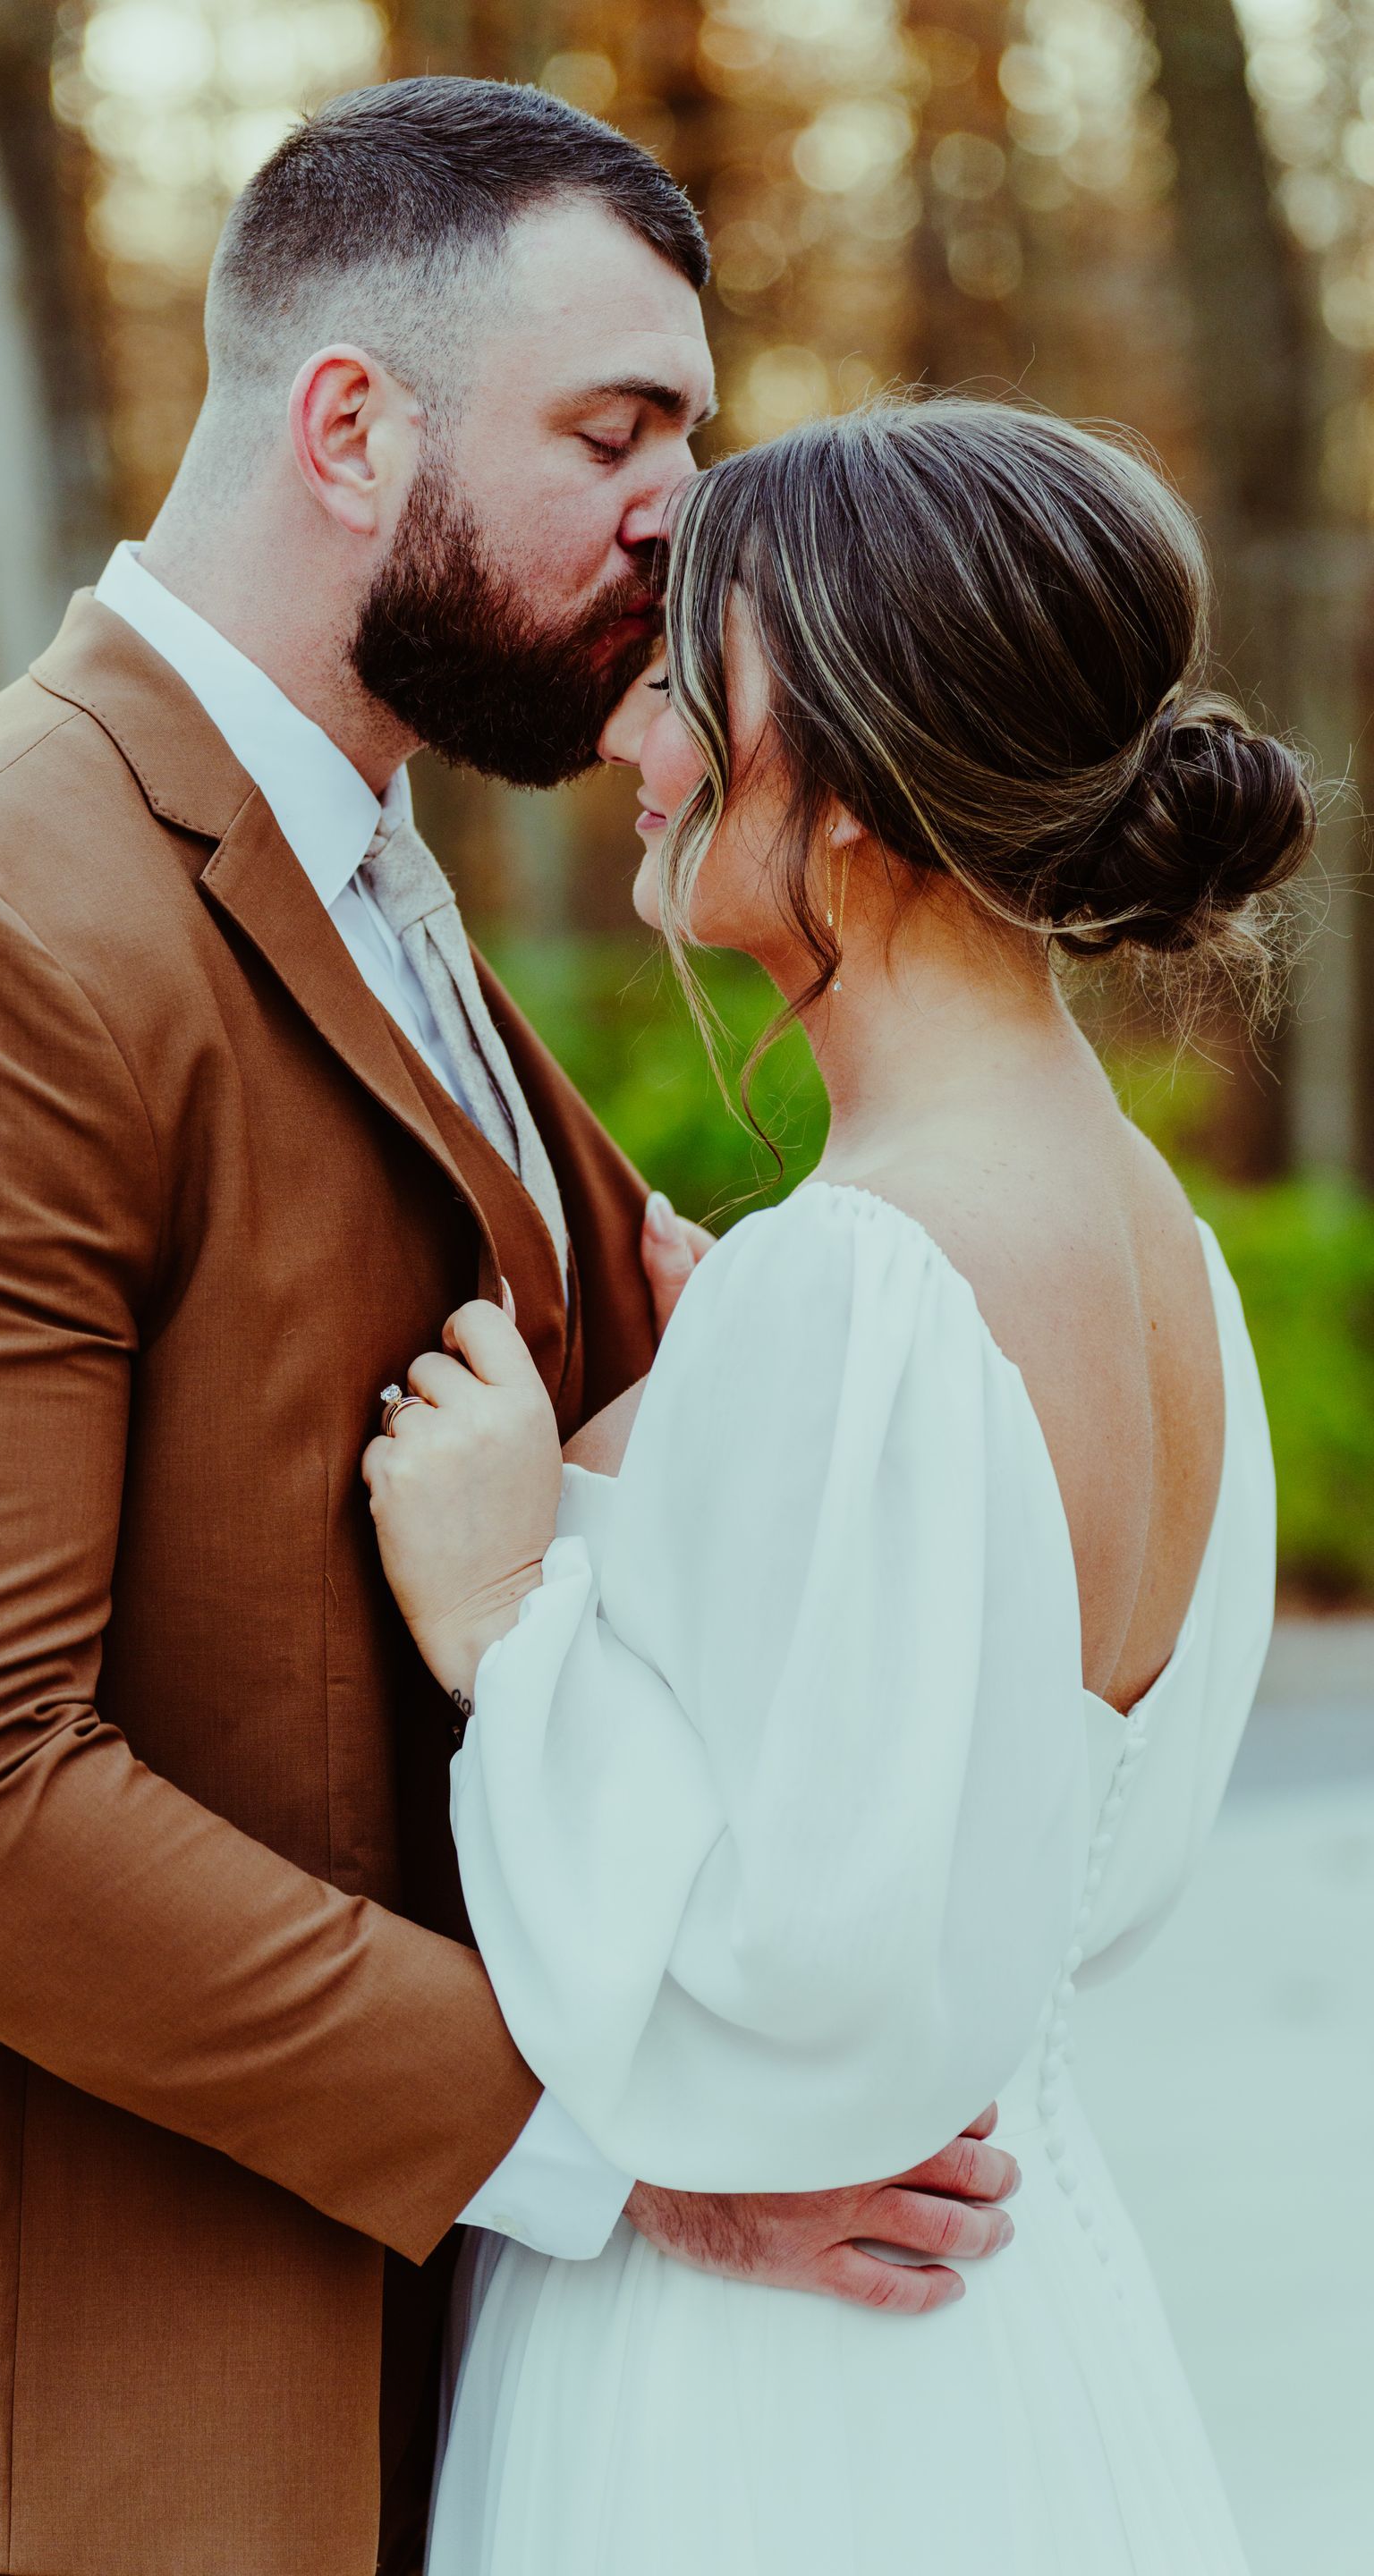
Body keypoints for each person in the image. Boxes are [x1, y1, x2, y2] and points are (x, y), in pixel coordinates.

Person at [0, 84, 1018, 2576]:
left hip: (377, 2367)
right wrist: (641, 2154)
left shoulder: (366, 868)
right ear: (350, 421)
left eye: (688, 440)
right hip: (58, 2436)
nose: (671, 513)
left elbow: (648, 1351)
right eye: (615, 430)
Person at [364, 397, 1309, 2574]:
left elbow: (771, 1979)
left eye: (697, 686)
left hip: (759, 2398)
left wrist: (507, 1618)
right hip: (1016, 2337)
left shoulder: (866, 1281)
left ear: (866, 780)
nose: (635, 739)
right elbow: (1005, 1833)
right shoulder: (1153, 1243)